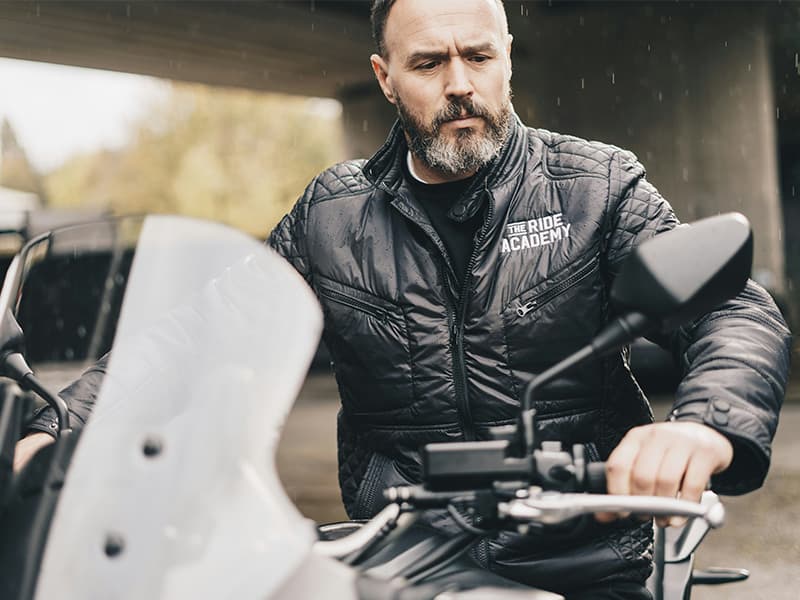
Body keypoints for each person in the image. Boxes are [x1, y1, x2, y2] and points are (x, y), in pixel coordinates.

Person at [18, 0, 792, 597]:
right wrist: (52, 431)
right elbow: (194, 340)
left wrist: (701, 428)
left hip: (583, 553)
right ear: (385, 76)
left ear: (507, 60)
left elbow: (732, 309)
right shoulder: (330, 218)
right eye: (429, 63)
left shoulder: (595, 187)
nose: (460, 84)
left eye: (479, 56)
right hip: (403, 559)